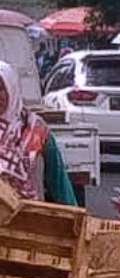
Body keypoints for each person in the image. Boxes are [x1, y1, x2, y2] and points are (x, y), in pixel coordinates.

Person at [0, 60, 76, 205]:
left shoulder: (35, 129)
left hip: (29, 220)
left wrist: (76, 217)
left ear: (12, 89)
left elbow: (58, 182)